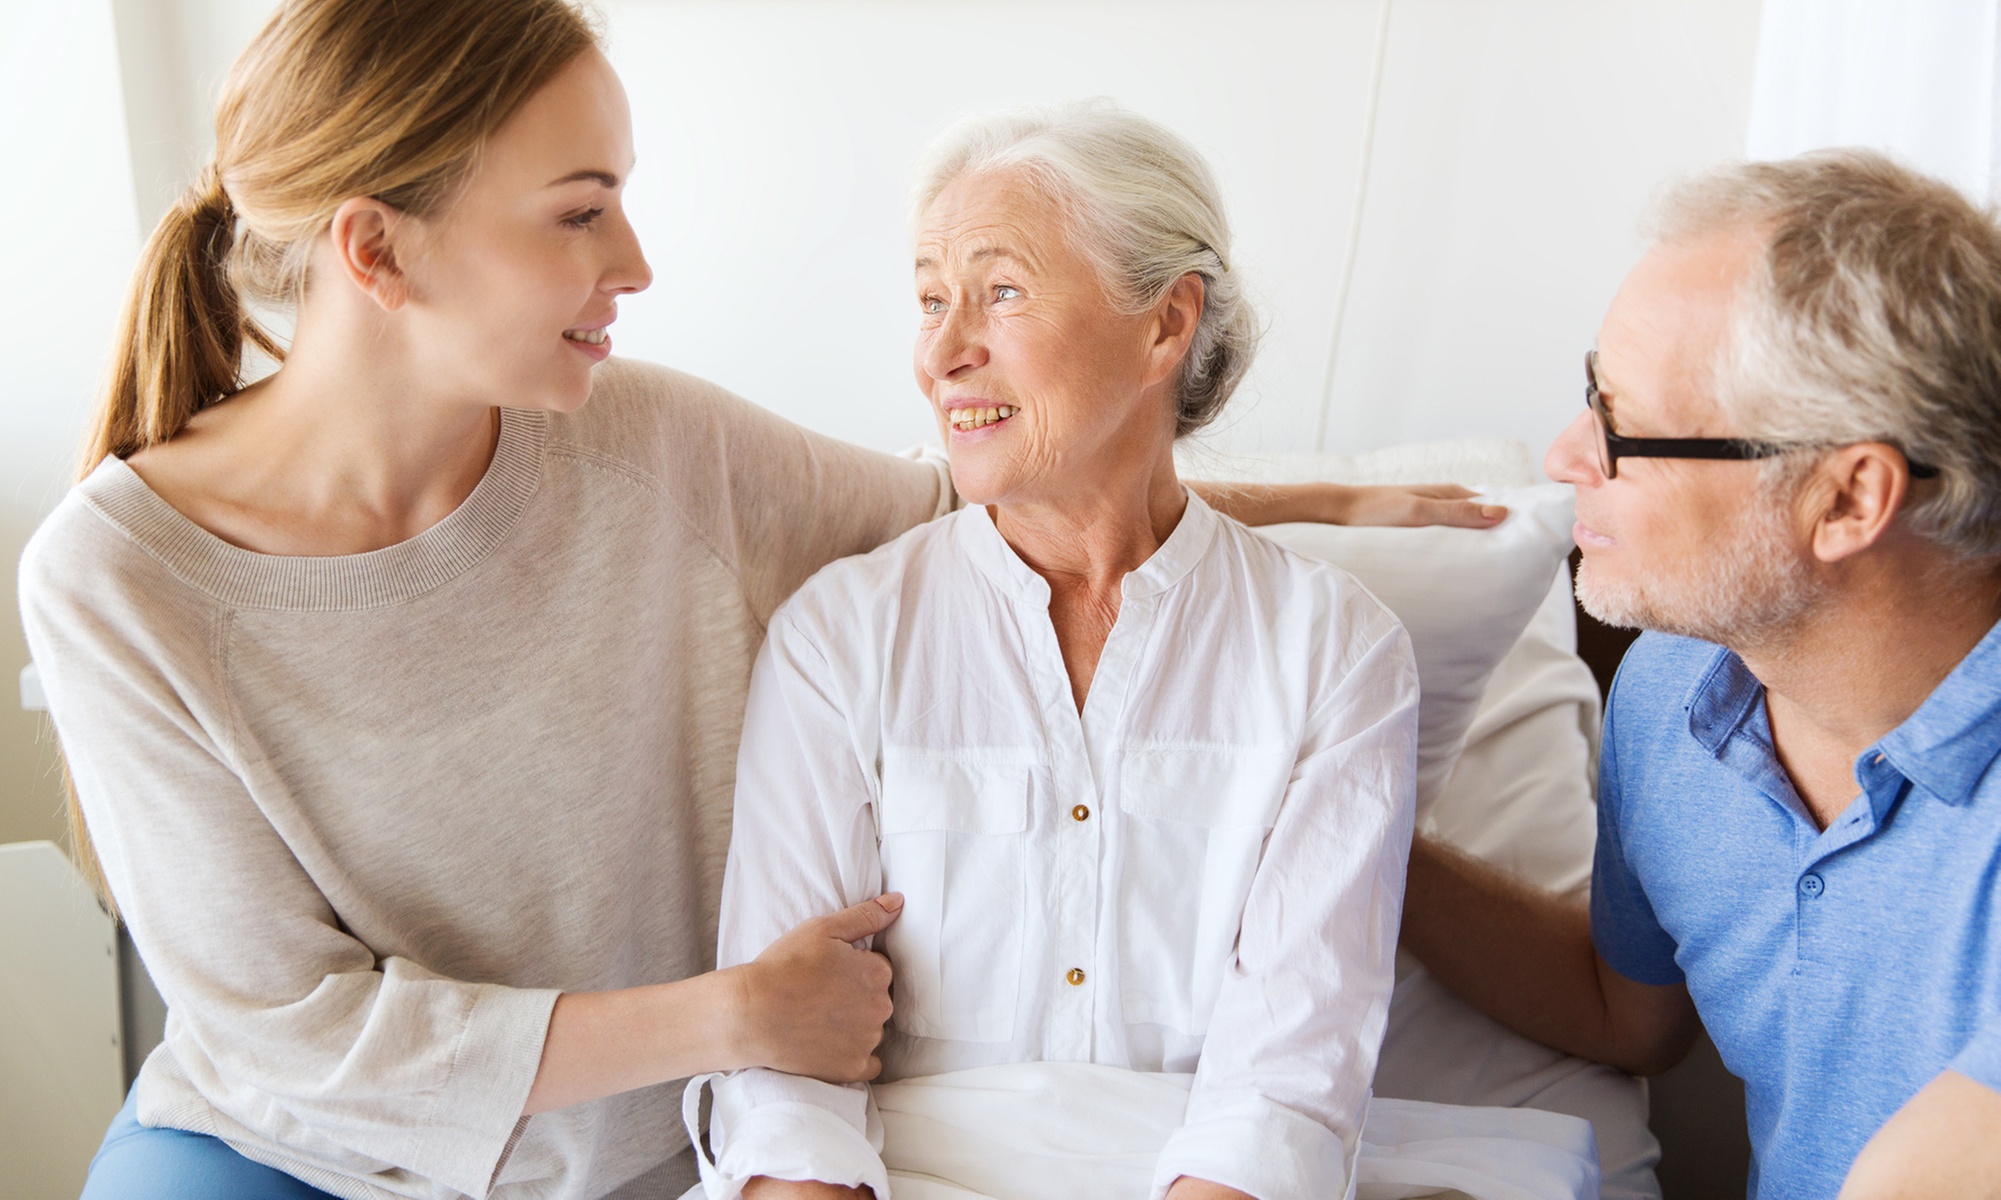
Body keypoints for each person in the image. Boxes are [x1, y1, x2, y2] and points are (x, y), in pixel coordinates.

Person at [18, 4, 1491, 1197]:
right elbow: (294, 1038)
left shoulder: (651, 443)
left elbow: (1007, 495)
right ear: (378, 249)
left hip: (643, 1154)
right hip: (288, 1153)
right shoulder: (118, 580)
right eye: (581, 211)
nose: (637, 264)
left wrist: (1328, 500)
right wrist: (731, 1016)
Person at [701, 102, 1420, 1200]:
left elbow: (1287, 1085)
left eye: (1000, 292)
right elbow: (782, 1084)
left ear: (1166, 323)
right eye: (931, 300)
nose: (943, 354)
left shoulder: (1336, 652)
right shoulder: (838, 638)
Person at [1397, 150, 2001, 1198]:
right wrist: (1347, 828)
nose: (1562, 455)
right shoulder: (1679, 691)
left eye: (1620, 424)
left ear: (1849, 499)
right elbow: (1623, 1010)